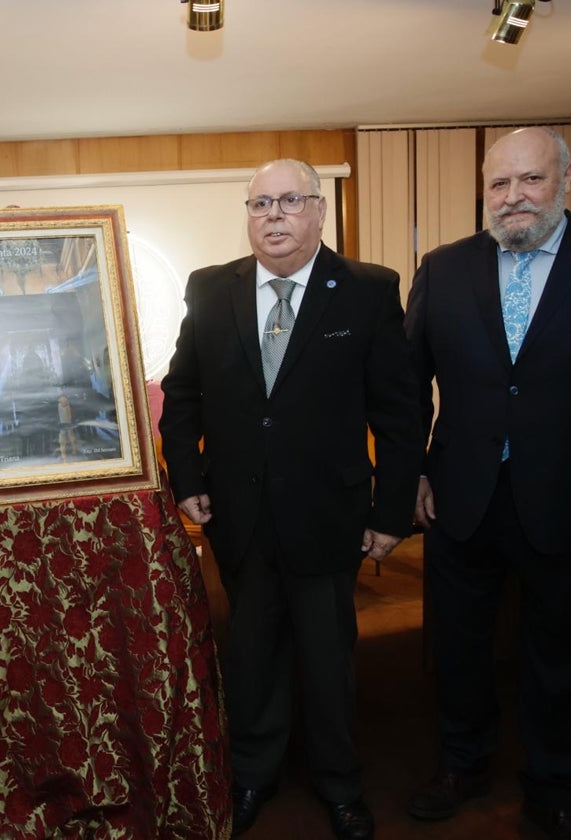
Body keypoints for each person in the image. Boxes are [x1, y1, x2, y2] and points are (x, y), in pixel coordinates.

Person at [404, 126, 571, 840]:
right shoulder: (445, 267)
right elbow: (407, 385)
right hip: (462, 497)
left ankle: (554, 790)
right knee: (459, 649)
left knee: (566, 657)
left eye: (531, 180)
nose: (513, 197)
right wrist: (417, 473)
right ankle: (462, 765)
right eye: (498, 183)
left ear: (566, 178)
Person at [159, 159, 423, 839]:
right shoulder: (211, 289)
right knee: (250, 655)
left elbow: (400, 412)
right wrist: (187, 480)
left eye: (288, 201)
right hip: (238, 516)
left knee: (328, 659)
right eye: (259, 204)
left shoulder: (367, 290)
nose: (272, 216)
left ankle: (340, 784)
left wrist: (390, 512)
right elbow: (182, 394)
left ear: (318, 211)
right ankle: (252, 776)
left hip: (329, 515)